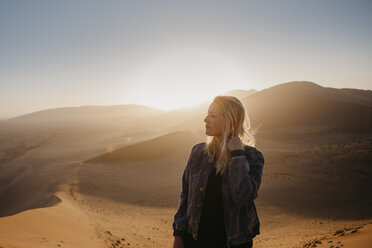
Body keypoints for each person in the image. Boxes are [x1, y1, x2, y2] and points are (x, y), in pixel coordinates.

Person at [172, 95, 264, 248]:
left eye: (213, 116)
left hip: (234, 243)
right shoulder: (198, 153)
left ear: (230, 120)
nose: (205, 120)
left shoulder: (252, 157)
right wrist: (178, 234)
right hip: (195, 240)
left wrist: (237, 155)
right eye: (207, 114)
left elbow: (243, 197)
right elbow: (185, 195)